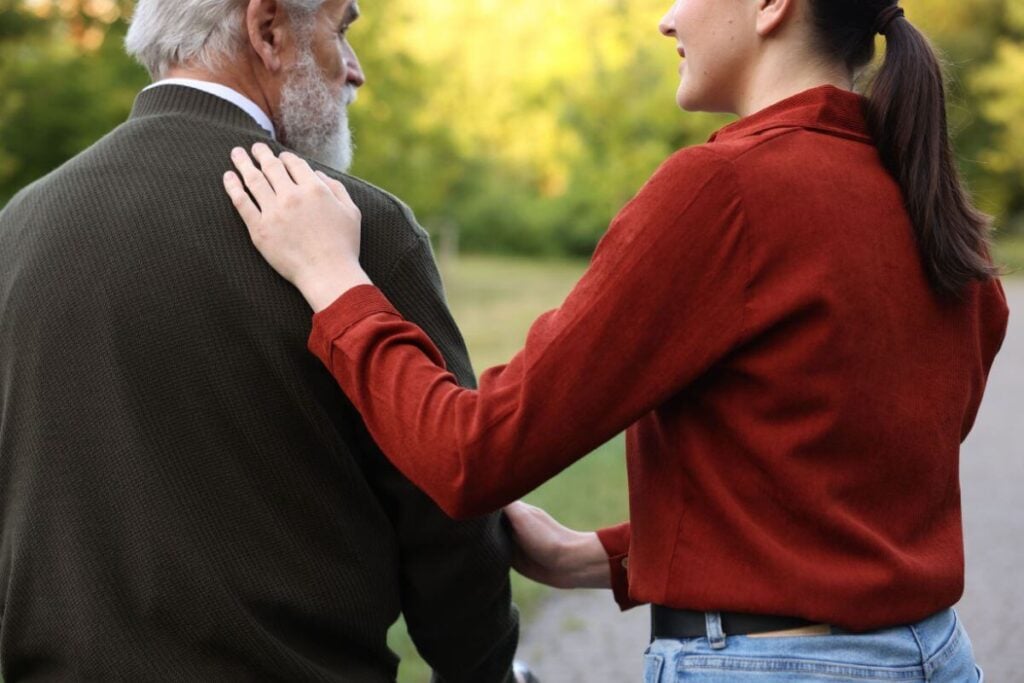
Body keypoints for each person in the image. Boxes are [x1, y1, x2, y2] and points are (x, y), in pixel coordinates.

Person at [225, 0, 1013, 679]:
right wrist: (591, 557)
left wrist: (332, 276)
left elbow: (471, 455)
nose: (667, 17)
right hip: (934, 652)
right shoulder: (931, 213)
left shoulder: (725, 192)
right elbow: (840, 499)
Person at [0, 0, 526, 681]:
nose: (356, 72)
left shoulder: (18, 226)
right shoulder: (359, 227)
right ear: (269, 29)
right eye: (342, 30)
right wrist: (486, 668)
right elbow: (446, 517)